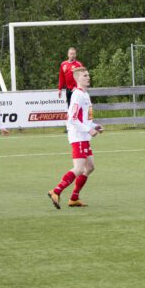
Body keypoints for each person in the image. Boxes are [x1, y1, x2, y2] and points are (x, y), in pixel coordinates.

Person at [48, 67, 102, 208]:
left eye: (88, 75)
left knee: (89, 167)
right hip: (78, 136)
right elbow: (72, 118)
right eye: (85, 75)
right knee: (78, 168)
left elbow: (86, 118)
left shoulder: (85, 95)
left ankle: (74, 198)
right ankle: (56, 191)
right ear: (78, 79)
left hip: (84, 135)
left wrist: (94, 126)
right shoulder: (77, 95)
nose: (88, 77)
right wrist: (88, 130)